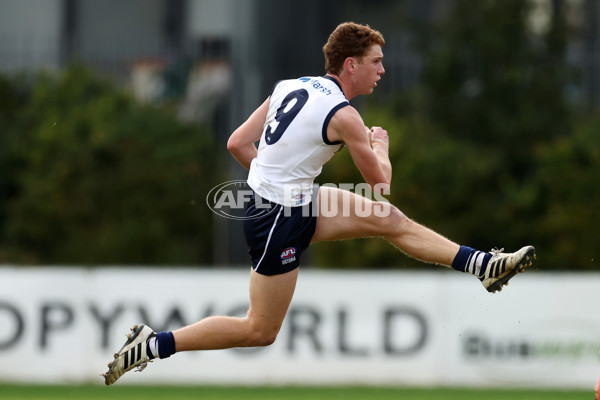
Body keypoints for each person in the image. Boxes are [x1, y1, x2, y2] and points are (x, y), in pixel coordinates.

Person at [103, 22, 535, 385]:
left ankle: (482, 265)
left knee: (390, 219)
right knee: (260, 330)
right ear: (352, 65)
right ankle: (154, 344)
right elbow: (380, 180)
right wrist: (379, 145)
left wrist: (271, 182)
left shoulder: (290, 86)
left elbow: (237, 142)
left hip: (287, 204)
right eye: (376, 61)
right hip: (278, 219)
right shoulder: (345, 116)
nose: (382, 69)